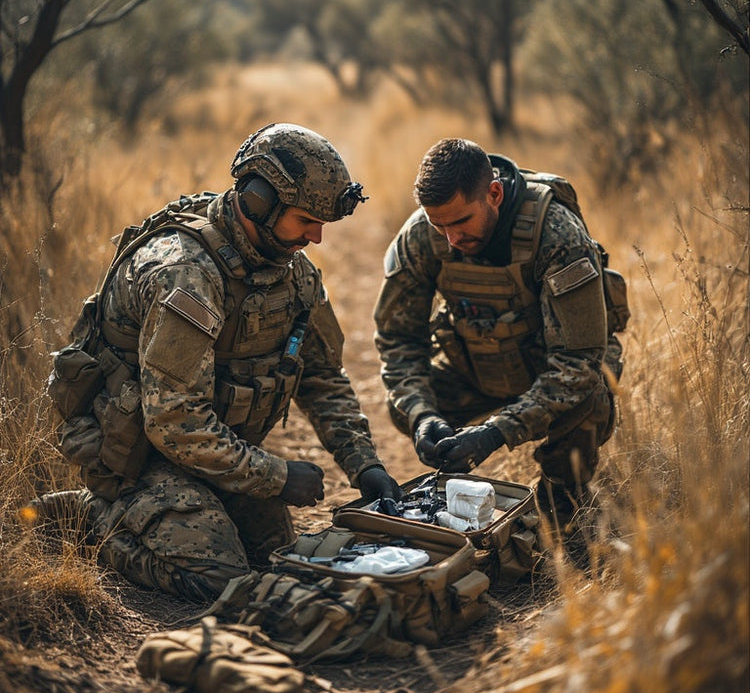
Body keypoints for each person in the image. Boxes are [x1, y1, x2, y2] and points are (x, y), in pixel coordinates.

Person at [36, 123, 400, 602]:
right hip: (138, 458)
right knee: (223, 579)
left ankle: (196, 510)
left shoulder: (292, 272)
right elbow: (173, 422)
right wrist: (277, 476)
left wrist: (364, 465)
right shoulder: (185, 276)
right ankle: (90, 514)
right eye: (306, 220)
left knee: (282, 559)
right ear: (257, 202)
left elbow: (322, 377)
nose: (316, 238)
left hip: (220, 455)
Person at [373, 138, 626, 532]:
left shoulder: (555, 233)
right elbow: (398, 340)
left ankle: (562, 504)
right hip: (475, 365)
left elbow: (578, 364)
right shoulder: (422, 235)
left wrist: (495, 433)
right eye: (439, 225)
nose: (451, 238)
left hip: (549, 370)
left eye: (460, 222)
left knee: (589, 399)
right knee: (407, 403)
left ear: (494, 194)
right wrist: (422, 416)